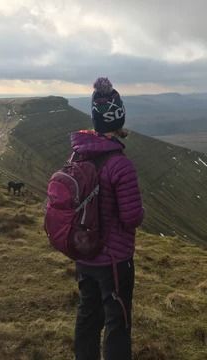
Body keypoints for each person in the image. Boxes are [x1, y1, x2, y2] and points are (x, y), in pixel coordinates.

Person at [71, 77, 144, 360]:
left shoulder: (78, 154)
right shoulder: (120, 164)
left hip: (83, 253)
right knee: (118, 323)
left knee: (88, 316)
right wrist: (142, 212)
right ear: (120, 116)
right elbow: (131, 217)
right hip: (114, 261)